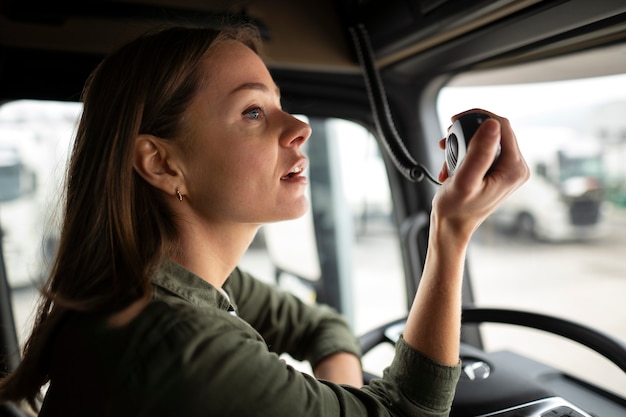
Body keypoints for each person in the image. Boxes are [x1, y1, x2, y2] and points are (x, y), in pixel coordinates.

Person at [0, 25, 529, 416]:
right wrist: (450, 233)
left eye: (281, 104)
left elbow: (320, 325)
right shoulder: (182, 345)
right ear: (163, 163)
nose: (299, 126)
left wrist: (345, 399)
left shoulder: (158, 280)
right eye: (253, 111)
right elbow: (409, 412)